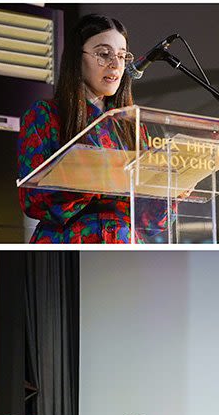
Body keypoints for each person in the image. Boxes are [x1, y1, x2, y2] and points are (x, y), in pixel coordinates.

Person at [17, 14, 149, 243]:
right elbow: (33, 198)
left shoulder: (132, 126)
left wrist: (173, 187)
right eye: (104, 54)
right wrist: (95, 179)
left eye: (121, 56)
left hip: (124, 242)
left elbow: (149, 220)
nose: (116, 65)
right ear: (77, 58)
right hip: (70, 239)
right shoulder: (46, 115)